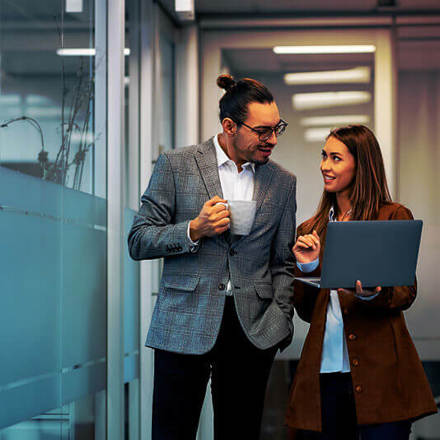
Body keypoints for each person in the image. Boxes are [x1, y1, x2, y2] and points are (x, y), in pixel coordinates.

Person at [128, 74, 297, 440]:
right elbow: (138, 240)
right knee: (172, 432)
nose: (273, 140)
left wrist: (279, 320)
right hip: (184, 324)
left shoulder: (283, 182)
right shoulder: (177, 164)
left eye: (277, 128)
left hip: (252, 330)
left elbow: (283, 263)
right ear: (229, 126)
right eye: (264, 131)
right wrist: (194, 229)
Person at [285, 125, 437, 439]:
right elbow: (305, 311)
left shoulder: (392, 216)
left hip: (381, 377)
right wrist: (309, 267)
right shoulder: (311, 228)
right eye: (324, 156)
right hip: (323, 375)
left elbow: (405, 293)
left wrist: (372, 293)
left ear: (361, 164)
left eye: (336, 158)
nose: (325, 166)